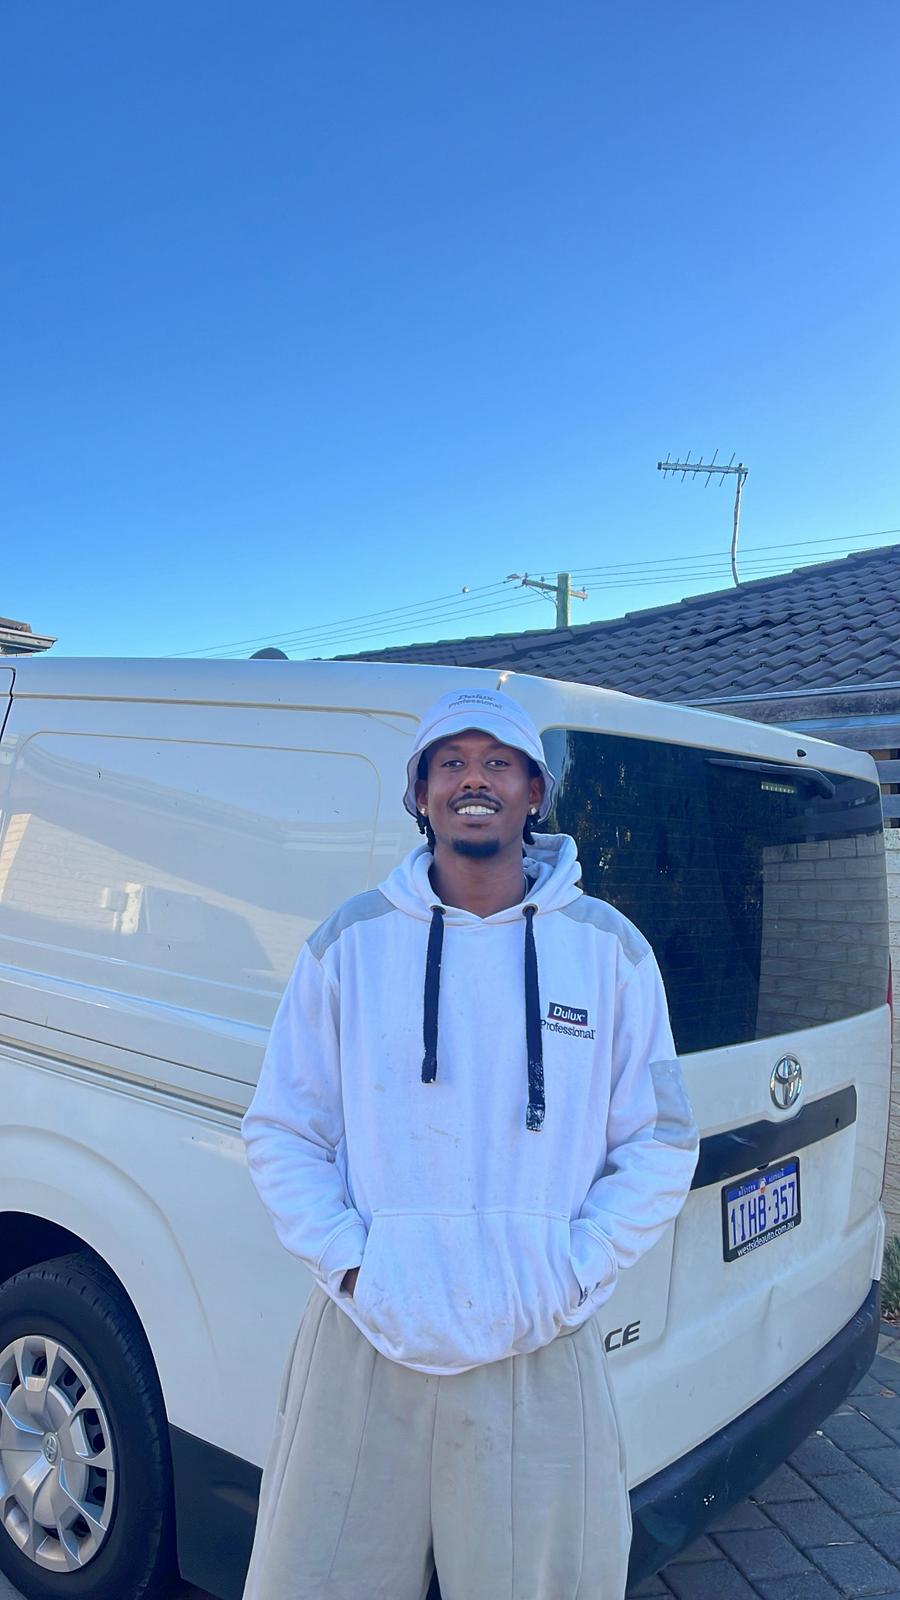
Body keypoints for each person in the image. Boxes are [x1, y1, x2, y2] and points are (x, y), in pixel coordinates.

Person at [241, 686, 699, 1600]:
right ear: (419, 793)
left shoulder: (609, 950)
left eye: (498, 762)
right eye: (449, 762)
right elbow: (283, 1128)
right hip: (367, 1339)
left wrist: (571, 1271)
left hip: (536, 1343)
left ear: (534, 792)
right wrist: (354, 1268)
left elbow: (660, 1139)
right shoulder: (351, 942)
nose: (473, 780)